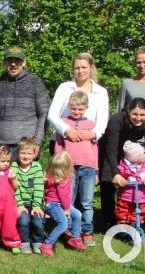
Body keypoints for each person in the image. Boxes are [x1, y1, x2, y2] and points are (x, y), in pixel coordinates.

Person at [98, 98, 145, 229]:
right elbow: (111, 149)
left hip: (128, 151)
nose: (138, 118)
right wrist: (116, 173)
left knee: (136, 181)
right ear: (128, 111)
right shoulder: (117, 120)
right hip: (109, 149)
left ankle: (136, 219)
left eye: (142, 115)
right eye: (135, 114)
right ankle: (110, 221)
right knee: (108, 182)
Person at [0, 46, 50, 159]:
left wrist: (37, 142)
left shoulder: (35, 83)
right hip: (0, 146)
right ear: (4, 62)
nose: (13, 64)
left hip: (27, 147)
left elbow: (44, 114)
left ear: (24, 63)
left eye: (17, 61)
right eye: (10, 60)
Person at [53, 91, 99, 246]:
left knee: (87, 202)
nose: (77, 112)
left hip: (88, 168)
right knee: (68, 200)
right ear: (69, 107)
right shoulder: (63, 123)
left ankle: (87, 231)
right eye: (74, 108)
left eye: (80, 109)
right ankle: (69, 230)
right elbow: (58, 146)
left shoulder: (91, 125)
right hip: (68, 168)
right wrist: (58, 168)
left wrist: (96, 170)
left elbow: (95, 149)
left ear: (86, 108)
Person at [47, 53, 110, 155]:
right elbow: (52, 115)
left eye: (84, 67)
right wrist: (66, 130)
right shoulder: (64, 88)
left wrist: (93, 133)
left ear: (90, 67)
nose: (80, 71)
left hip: (87, 145)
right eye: (77, 68)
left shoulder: (101, 92)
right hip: (62, 142)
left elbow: (102, 121)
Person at [40, 151, 87, 256]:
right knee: (63, 224)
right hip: (53, 204)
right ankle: (47, 243)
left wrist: (66, 207)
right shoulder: (61, 179)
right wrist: (67, 209)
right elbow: (63, 195)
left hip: (60, 203)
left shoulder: (60, 176)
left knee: (77, 214)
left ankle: (75, 237)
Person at [117, 47, 145, 133]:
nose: (142, 66)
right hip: (131, 134)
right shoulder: (127, 84)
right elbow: (120, 111)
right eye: (139, 62)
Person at [13, 137, 45, 254]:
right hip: (21, 202)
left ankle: (37, 241)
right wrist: (19, 205)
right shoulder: (13, 167)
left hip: (35, 202)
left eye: (29, 153)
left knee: (38, 221)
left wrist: (36, 205)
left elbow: (39, 187)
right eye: (23, 153)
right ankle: (25, 242)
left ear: (34, 155)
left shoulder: (37, 166)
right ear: (17, 153)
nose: (26, 156)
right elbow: (14, 188)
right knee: (23, 220)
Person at [115, 141, 145, 227]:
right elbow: (119, 174)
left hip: (141, 196)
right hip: (125, 196)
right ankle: (123, 223)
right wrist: (122, 179)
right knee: (123, 210)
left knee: (140, 210)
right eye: (143, 153)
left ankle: (137, 223)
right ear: (135, 157)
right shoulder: (124, 166)